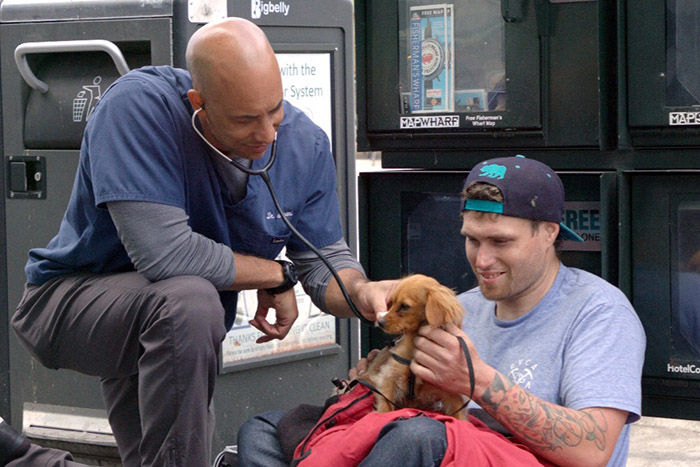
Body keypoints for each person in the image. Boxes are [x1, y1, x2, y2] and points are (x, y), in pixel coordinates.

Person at [10, 18, 393, 467]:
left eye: (275, 110)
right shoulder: (139, 108)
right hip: (70, 302)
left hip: (169, 330)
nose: (267, 133)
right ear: (199, 104)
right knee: (190, 300)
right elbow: (166, 254)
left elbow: (324, 261)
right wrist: (275, 273)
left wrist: (364, 293)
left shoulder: (304, 145)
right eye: (246, 119)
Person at [237, 155, 646, 467]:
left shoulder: (599, 312)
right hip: (439, 449)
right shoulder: (459, 308)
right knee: (267, 430)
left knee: (416, 436)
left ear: (549, 233)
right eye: (472, 240)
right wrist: (376, 385)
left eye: (501, 242)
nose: (482, 260)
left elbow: (594, 450)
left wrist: (479, 382)